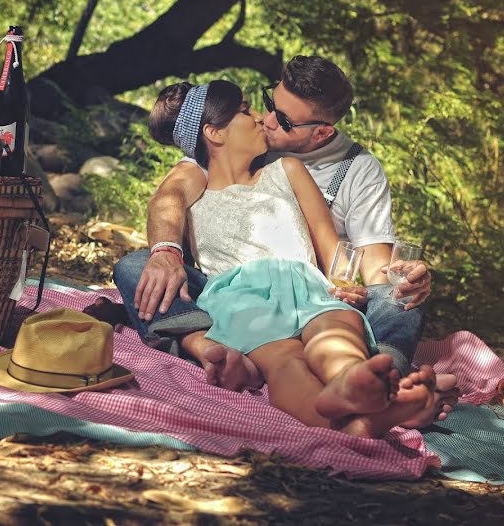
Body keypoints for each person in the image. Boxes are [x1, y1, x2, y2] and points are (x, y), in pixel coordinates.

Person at [113, 56, 458, 424]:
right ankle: (366, 406)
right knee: (281, 360)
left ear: (321, 132)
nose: (266, 119)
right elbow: (168, 199)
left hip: (310, 285)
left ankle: (368, 388)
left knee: (356, 322)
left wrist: (380, 281)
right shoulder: (196, 173)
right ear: (213, 132)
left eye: (285, 119)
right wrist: (165, 251)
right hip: (238, 293)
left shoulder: (303, 169)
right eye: (261, 107)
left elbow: (340, 253)